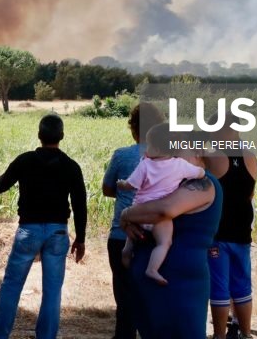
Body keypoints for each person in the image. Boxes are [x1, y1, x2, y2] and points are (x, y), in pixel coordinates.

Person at [0, 114, 87, 339]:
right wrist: (80, 238)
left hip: (28, 230)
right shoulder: (71, 166)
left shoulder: (25, 161)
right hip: (58, 231)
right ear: (62, 136)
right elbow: (79, 204)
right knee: (52, 291)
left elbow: (0, 185)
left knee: (11, 286)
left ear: (39, 135)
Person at [120, 171, 223, 339]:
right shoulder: (165, 176)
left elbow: (164, 209)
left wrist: (126, 214)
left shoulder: (202, 182)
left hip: (178, 287)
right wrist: (130, 220)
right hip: (149, 284)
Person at [101, 102, 164, 339]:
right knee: (152, 296)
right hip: (155, 236)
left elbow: (107, 188)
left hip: (121, 234)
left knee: (124, 295)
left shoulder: (121, 155)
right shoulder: (169, 157)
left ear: (133, 128)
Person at [117, 123, 205, 285]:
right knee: (164, 242)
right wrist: (202, 171)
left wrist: (121, 184)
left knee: (132, 235)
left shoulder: (145, 164)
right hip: (158, 216)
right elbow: (199, 173)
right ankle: (152, 269)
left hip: (139, 210)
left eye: (149, 145)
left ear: (157, 148)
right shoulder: (180, 165)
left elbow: (131, 184)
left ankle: (127, 250)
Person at [205, 114, 257, 339]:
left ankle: (219, 335)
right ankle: (245, 333)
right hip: (242, 231)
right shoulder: (250, 157)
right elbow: (250, 193)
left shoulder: (213, 156)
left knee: (219, 286)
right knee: (242, 286)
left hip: (219, 232)